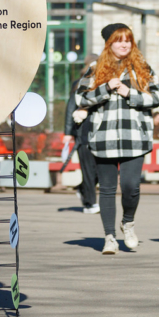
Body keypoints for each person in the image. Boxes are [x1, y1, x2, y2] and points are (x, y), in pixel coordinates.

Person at [77, 24, 159, 254]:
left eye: (128, 40)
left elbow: (158, 97)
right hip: (104, 138)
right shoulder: (95, 69)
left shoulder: (142, 67)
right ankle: (109, 237)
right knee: (106, 189)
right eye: (118, 40)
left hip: (135, 138)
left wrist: (129, 93)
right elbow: (81, 98)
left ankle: (128, 222)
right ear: (109, 43)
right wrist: (105, 88)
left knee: (130, 186)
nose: (124, 44)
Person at [64, 54, 101, 214]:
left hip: (100, 132)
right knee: (87, 168)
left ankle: (81, 188)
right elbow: (70, 106)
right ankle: (91, 203)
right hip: (83, 132)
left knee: (99, 170)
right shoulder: (79, 84)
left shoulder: (104, 83)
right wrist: (67, 132)